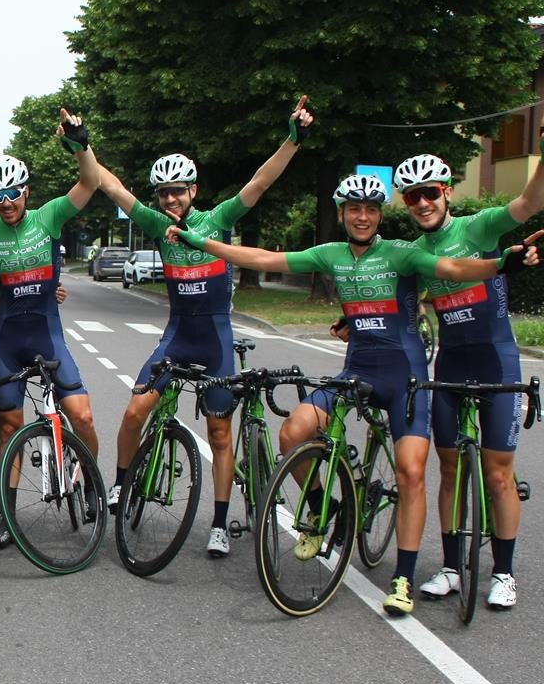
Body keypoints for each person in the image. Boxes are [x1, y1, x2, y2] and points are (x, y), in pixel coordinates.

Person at [163, 173, 537, 616]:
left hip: (407, 381)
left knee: (412, 472)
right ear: (341, 213)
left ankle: (404, 578)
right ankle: (330, 510)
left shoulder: (401, 253)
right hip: (356, 373)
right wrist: (203, 244)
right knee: (294, 432)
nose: (362, 216)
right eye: (354, 209)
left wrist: (499, 265)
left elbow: (453, 270)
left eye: (371, 209)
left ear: (380, 214)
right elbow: (264, 256)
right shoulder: (331, 254)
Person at [98, 96, 313, 557]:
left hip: (215, 339)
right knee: (136, 411)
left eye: (178, 190)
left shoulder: (218, 220)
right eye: (164, 192)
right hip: (177, 338)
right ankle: (120, 484)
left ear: (193, 190)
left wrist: (292, 141)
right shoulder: (157, 225)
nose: (170, 198)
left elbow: (259, 183)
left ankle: (218, 522)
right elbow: (114, 189)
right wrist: (84, 147)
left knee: (218, 432)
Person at [394, 148, 544, 610]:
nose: (422, 203)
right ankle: (452, 568)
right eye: (413, 196)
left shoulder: (475, 229)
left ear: (447, 193)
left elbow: (527, 203)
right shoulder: (416, 252)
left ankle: (504, 573)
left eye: (430, 193)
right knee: (451, 468)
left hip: (497, 361)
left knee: (498, 473)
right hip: (452, 366)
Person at [0, 109, 102, 548]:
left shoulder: (47, 217)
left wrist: (81, 144)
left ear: (26, 192)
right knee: (10, 427)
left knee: (81, 415)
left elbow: (90, 184)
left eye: (13, 193)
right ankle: (8, 517)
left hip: (49, 337)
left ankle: (87, 481)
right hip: (10, 339)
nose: (6, 201)